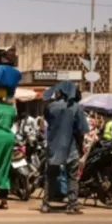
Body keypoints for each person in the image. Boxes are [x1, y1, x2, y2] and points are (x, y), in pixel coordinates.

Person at [41, 81, 89, 214]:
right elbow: (82, 130)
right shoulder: (76, 108)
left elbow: (47, 122)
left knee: (50, 176)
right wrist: (81, 147)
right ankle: (72, 204)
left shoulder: (51, 107)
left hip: (54, 146)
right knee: (72, 177)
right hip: (71, 147)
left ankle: (46, 204)